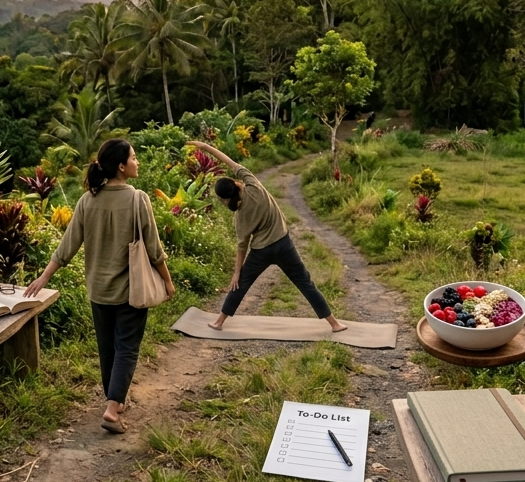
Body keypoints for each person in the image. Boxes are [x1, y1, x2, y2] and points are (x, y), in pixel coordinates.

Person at [24, 138, 175, 434]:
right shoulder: (137, 199)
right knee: (127, 348)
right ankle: (112, 408)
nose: (137, 162)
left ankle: (114, 400)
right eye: (133, 157)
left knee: (108, 349)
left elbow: (67, 247)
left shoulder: (87, 200)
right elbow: (155, 250)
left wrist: (44, 277)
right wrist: (167, 281)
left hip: (98, 290)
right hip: (131, 290)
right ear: (121, 166)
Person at [188, 140, 348, 333]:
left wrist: (237, 272)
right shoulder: (254, 186)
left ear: (225, 200)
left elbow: (242, 246)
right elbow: (230, 162)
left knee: (241, 284)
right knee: (305, 283)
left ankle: (219, 322)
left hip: (261, 252)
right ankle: (334, 324)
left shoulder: (239, 219)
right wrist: (206, 147)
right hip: (283, 244)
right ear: (236, 184)